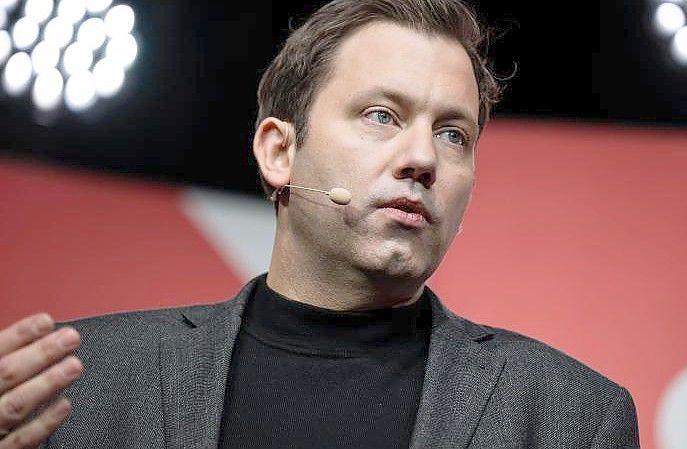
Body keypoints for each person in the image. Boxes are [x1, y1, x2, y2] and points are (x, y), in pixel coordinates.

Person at [0, 0, 640, 448]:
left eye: (453, 134)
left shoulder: (570, 415)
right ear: (280, 152)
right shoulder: (79, 385)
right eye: (382, 116)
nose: (422, 159)